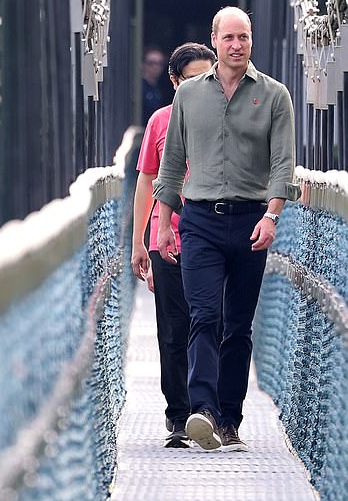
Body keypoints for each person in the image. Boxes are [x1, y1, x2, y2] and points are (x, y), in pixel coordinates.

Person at [154, 6, 297, 452]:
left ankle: (230, 419)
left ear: (251, 40)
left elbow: (282, 166)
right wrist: (162, 226)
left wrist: (272, 216)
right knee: (204, 315)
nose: (237, 45)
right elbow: (171, 163)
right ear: (214, 40)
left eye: (245, 37)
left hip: (252, 219)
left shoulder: (275, 96)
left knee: (238, 325)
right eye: (229, 38)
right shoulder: (189, 95)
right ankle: (203, 411)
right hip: (198, 221)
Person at [131, 41, 216, 448]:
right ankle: (179, 416)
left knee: (209, 323)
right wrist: (138, 242)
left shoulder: (226, 120)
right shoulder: (160, 122)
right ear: (174, 81)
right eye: (192, 79)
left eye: (207, 77)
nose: (202, 86)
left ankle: (207, 411)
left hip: (213, 238)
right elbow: (146, 180)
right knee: (172, 329)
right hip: (167, 236)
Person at [140, 45, 170, 124]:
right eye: (151, 63)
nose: (156, 67)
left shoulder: (160, 88)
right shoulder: (139, 88)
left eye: (160, 63)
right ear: (142, 64)